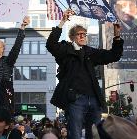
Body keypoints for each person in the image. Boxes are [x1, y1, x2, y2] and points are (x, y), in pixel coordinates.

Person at [46, 9, 124, 139]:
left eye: (84, 34)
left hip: (94, 99)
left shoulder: (90, 52)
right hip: (75, 99)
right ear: (72, 37)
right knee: (75, 134)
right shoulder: (65, 50)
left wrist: (117, 36)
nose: (83, 36)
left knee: (95, 134)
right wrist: (63, 21)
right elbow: (51, 44)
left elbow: (114, 55)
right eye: (79, 34)